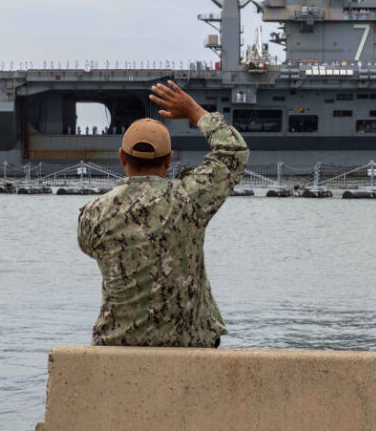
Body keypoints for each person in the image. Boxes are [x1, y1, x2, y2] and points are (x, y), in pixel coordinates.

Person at [78, 80, 249, 347]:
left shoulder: (93, 214)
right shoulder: (189, 200)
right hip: (188, 346)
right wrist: (194, 110)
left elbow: (91, 247)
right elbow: (233, 152)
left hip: (117, 346)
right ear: (169, 160)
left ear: (122, 158)